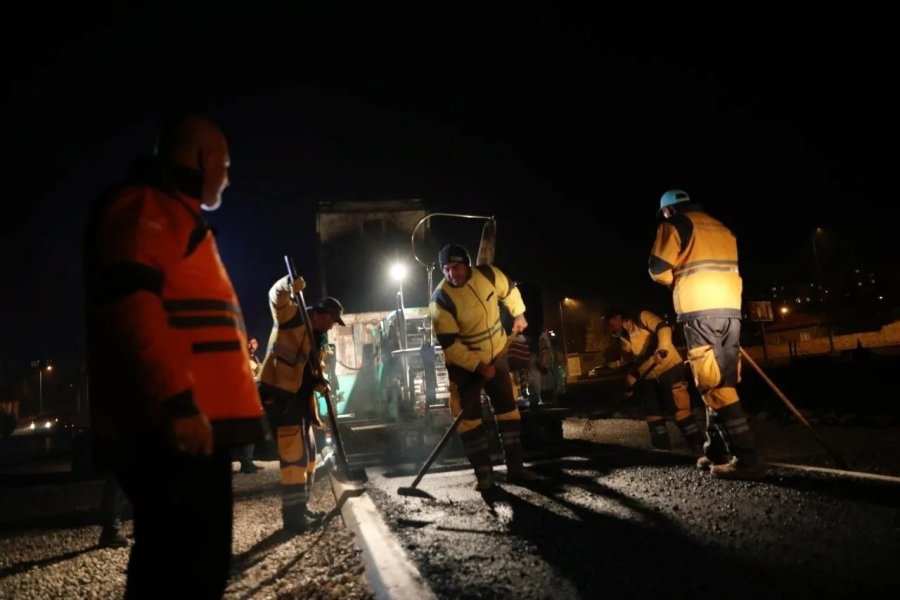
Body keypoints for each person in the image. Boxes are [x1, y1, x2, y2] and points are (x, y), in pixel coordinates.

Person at [83, 114, 265, 597]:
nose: (228, 175)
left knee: (187, 566)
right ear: (204, 159)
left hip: (187, 427)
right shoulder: (146, 209)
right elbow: (131, 307)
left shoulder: (173, 215)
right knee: (183, 571)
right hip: (173, 430)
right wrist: (177, 403)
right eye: (224, 163)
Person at [648, 189, 764, 479]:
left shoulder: (674, 224)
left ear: (668, 211)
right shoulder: (721, 227)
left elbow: (657, 269)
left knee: (713, 384)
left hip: (699, 310)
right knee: (719, 381)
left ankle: (746, 458)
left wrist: (675, 280)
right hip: (730, 309)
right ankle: (716, 451)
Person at [429, 244, 539, 492]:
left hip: (498, 354)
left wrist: (519, 313)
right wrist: (478, 367)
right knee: (469, 421)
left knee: (508, 411)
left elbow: (509, 291)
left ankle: (516, 469)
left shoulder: (489, 275)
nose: (451, 274)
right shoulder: (441, 301)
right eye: (446, 269)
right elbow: (451, 346)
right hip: (464, 367)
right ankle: (484, 476)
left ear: (467, 265)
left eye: (456, 267)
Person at [258, 276, 344, 533]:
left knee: (307, 457)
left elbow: (308, 370)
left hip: (300, 403)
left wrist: (319, 382)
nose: (330, 325)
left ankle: (301, 506)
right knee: (294, 458)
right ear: (319, 313)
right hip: (280, 398)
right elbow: (276, 295)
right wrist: (288, 283)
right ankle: (293, 518)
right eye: (330, 319)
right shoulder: (292, 315)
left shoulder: (317, 337)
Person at [605, 307, 705, 455]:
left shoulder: (642, 318)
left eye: (610, 323)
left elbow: (663, 328)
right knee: (653, 414)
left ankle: (698, 447)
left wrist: (662, 349)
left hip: (670, 368)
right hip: (649, 378)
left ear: (618, 317)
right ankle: (662, 451)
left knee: (679, 409)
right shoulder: (623, 342)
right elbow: (635, 367)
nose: (609, 327)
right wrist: (629, 385)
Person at [234, 338, 263, 474]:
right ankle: (245, 462)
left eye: (255, 342)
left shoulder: (254, 358)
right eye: (250, 342)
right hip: (246, 397)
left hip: (254, 396)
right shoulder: (242, 357)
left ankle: (248, 460)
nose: (252, 345)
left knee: (253, 429)